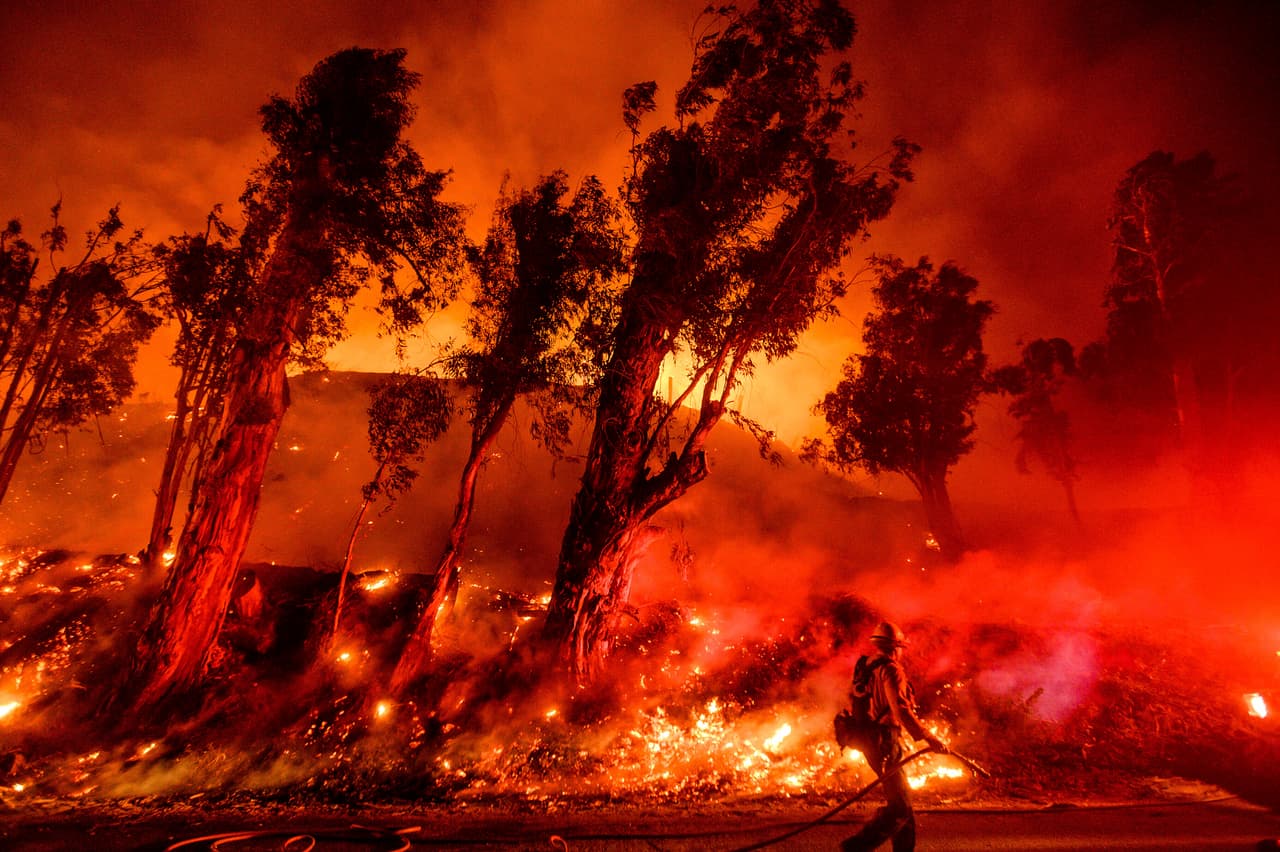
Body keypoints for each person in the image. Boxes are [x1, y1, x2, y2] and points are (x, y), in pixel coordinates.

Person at [842, 621, 947, 852]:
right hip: (885, 740)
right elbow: (900, 710)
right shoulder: (892, 670)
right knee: (900, 808)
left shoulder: (866, 665)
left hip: (869, 738)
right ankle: (856, 847)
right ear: (895, 647)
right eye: (901, 647)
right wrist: (930, 737)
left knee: (903, 805)